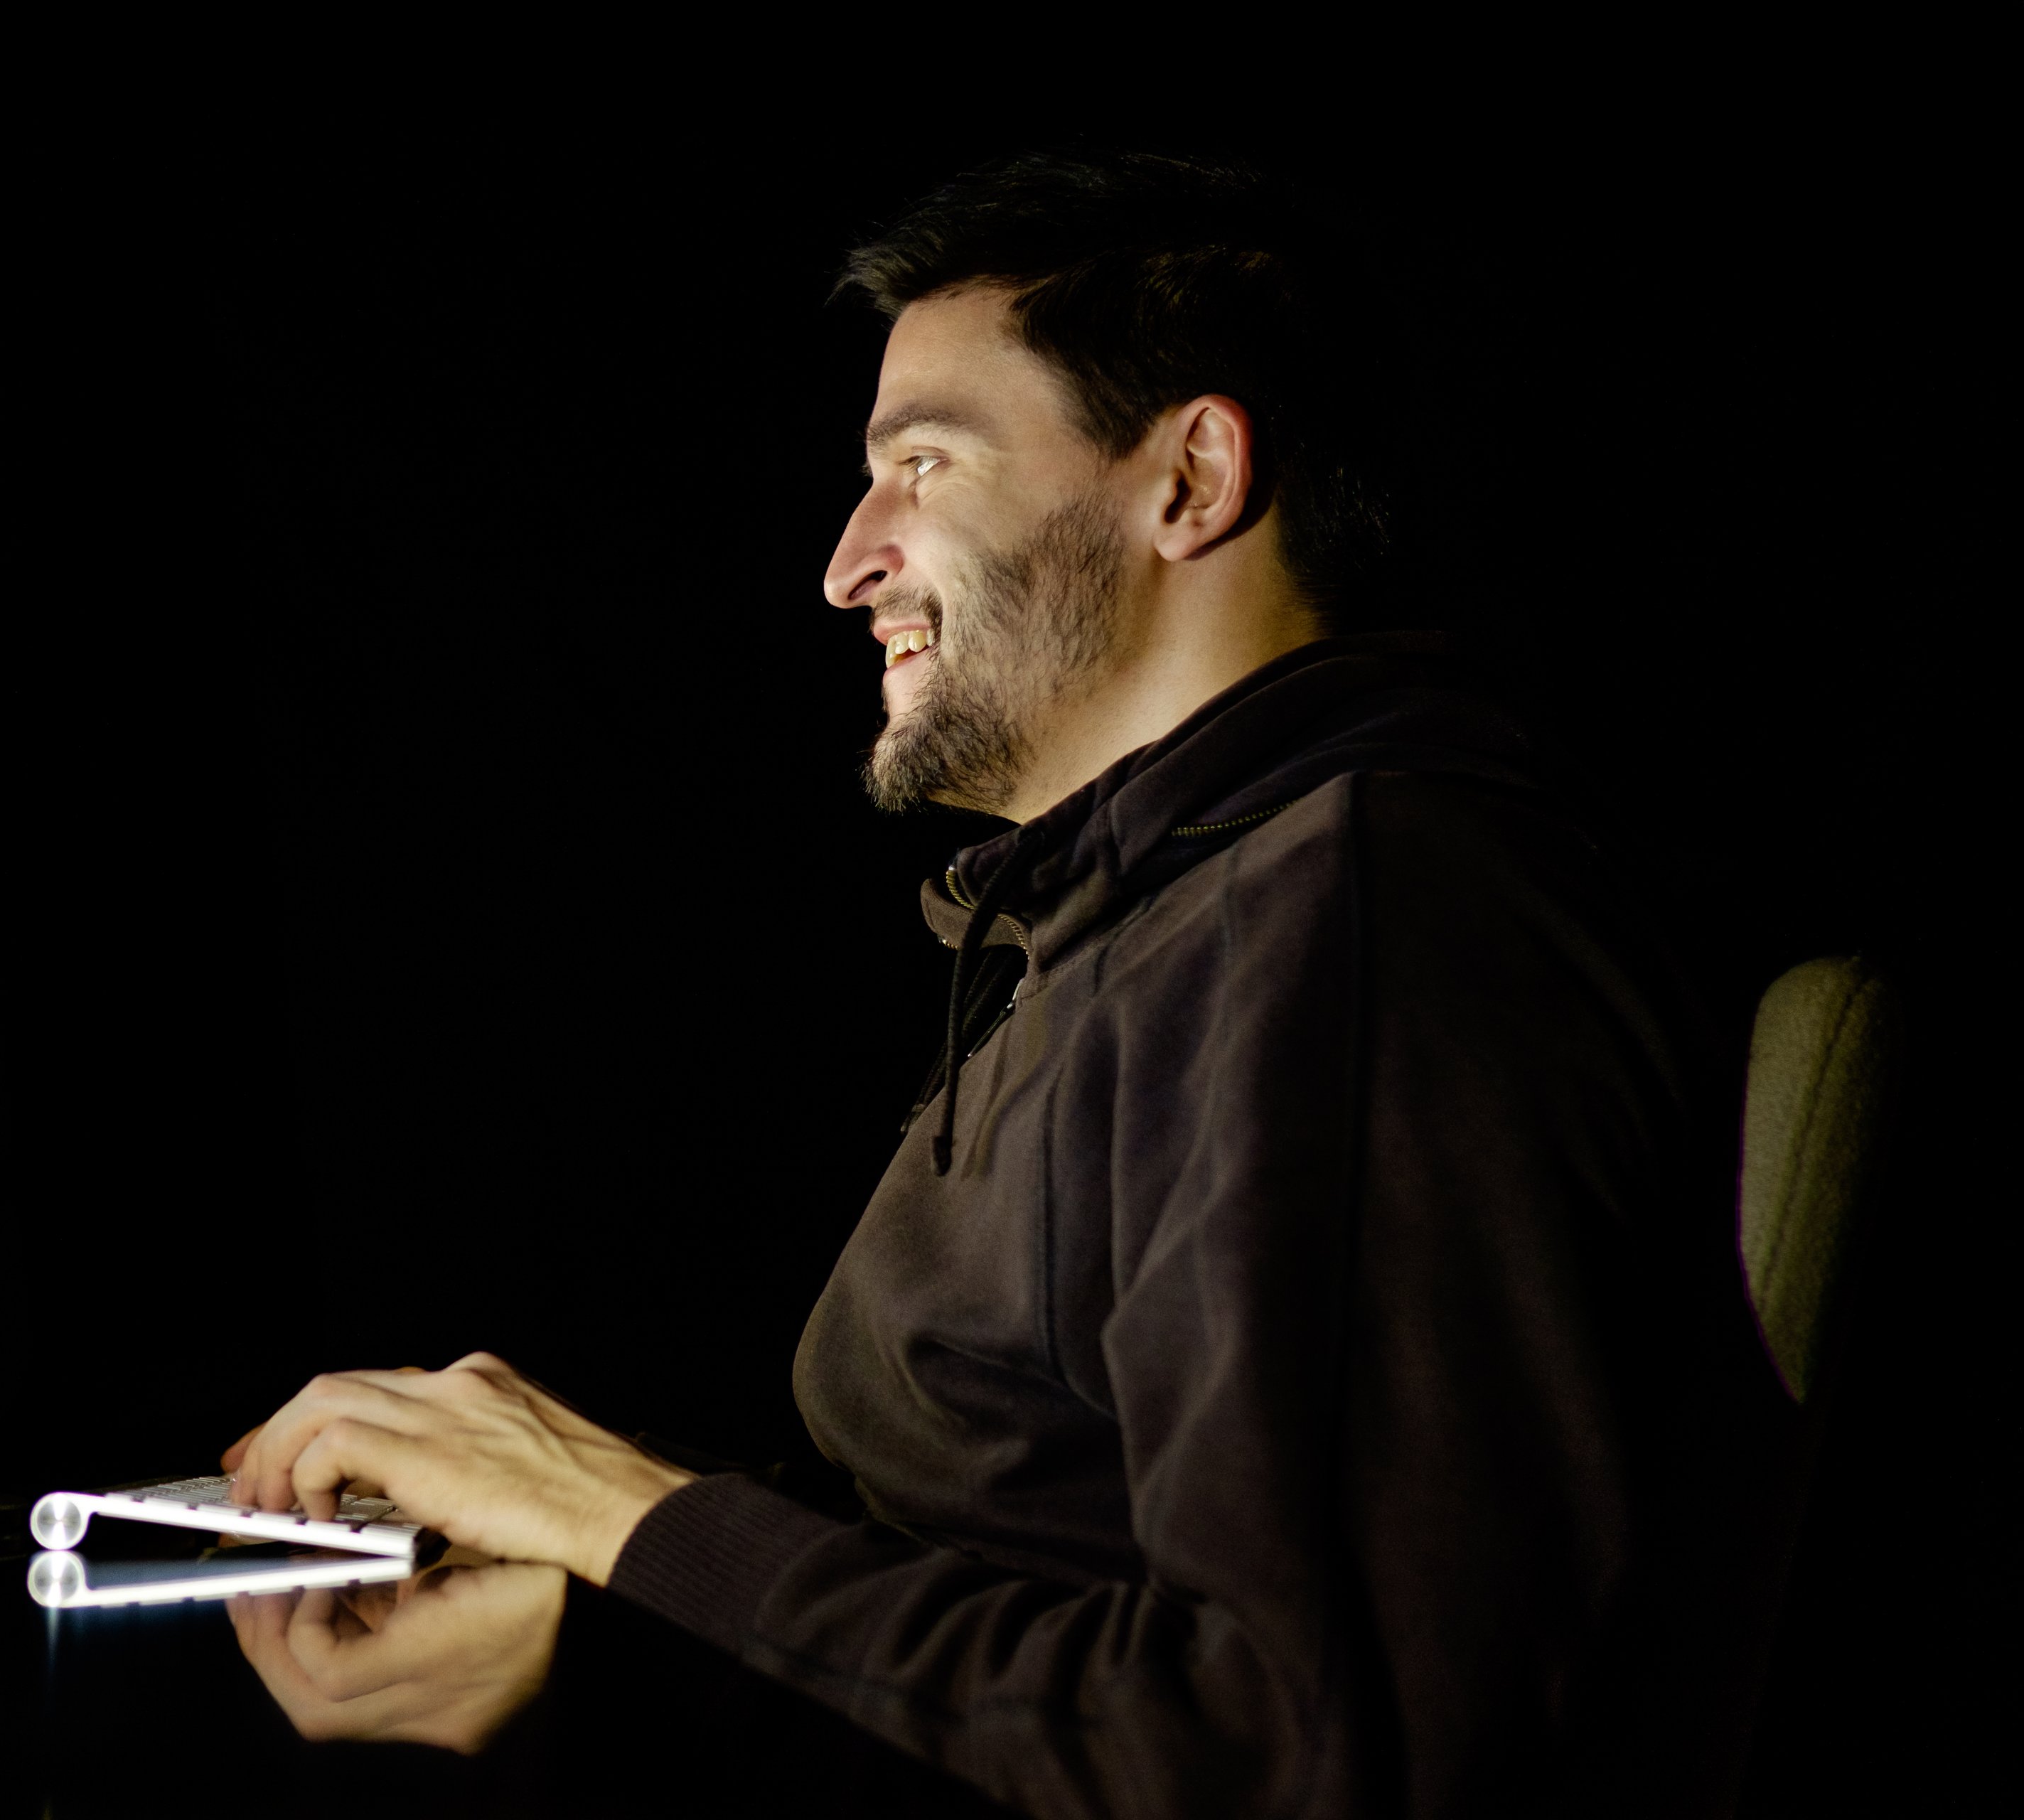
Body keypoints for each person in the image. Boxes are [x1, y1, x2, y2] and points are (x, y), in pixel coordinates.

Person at [222, 154, 1799, 1818]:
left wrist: (617, 1510)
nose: (849, 562)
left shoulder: (1350, 934)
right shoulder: (1138, 922)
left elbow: (1313, 1750)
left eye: (923, 465)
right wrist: (591, 1631)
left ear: (1189, 477)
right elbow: (1007, 1583)